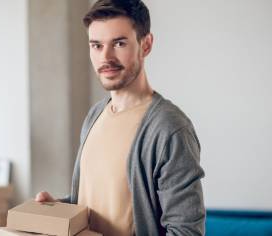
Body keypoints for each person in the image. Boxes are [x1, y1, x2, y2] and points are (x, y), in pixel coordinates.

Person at [35, 0, 205, 235]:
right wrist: (58, 209)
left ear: (146, 45)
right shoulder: (95, 115)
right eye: (96, 45)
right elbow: (95, 204)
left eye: (119, 43)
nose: (106, 57)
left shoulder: (170, 128)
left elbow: (187, 231)